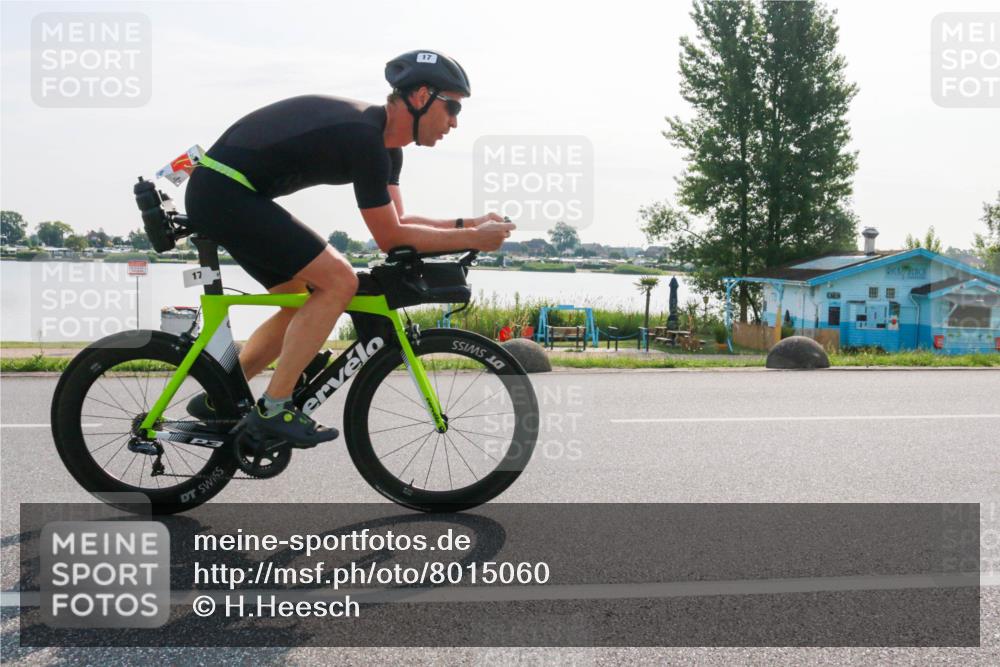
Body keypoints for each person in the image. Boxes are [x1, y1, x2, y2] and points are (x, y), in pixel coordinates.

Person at [183, 49, 514, 448]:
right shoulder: (365, 138)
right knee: (340, 282)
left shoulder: (387, 148)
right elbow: (391, 238)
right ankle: (274, 408)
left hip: (230, 192)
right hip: (223, 190)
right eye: (452, 109)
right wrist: (473, 239)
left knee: (297, 302)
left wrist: (470, 225)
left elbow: (402, 223)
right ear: (422, 96)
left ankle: (222, 396)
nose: (455, 123)